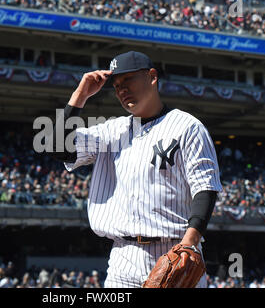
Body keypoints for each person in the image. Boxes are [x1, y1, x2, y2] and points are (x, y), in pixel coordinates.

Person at [46, 51, 222, 288]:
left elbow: (205, 188)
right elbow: (57, 147)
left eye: (128, 80)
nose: (121, 89)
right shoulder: (110, 131)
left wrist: (188, 245)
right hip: (123, 258)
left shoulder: (187, 127)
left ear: (151, 76)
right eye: (116, 85)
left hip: (175, 250)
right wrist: (81, 95)